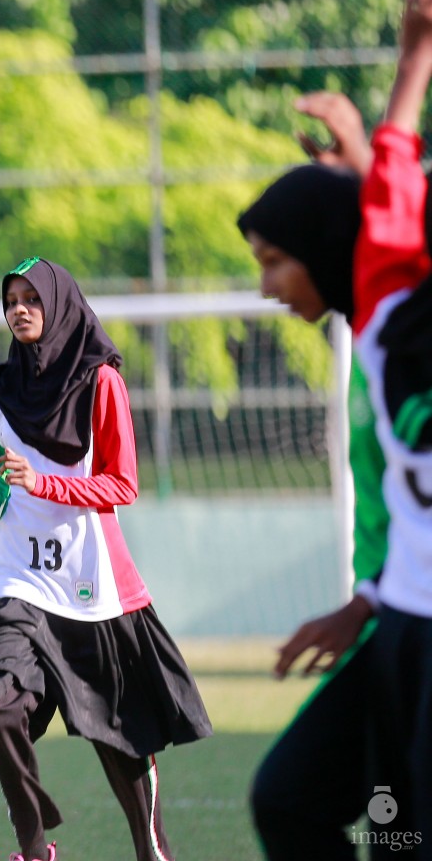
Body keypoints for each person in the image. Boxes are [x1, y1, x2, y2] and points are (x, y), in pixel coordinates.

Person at [0, 257, 211, 861]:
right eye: (10, 300)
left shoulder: (102, 382)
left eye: (31, 298)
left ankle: (152, 851)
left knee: (122, 739)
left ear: (60, 304)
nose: (19, 309)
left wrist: (43, 484)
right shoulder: (1, 388)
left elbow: (121, 485)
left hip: (93, 586)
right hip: (19, 580)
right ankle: (33, 847)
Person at [241, 96, 399, 857]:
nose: (266, 285)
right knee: (292, 800)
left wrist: (409, 75)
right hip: (395, 617)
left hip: (410, 620)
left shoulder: (409, 330)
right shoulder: (371, 337)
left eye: (276, 259)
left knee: (398, 832)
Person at [349, 0, 432, 854]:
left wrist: (417, 60)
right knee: (397, 833)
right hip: (405, 620)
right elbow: (391, 197)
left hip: (406, 620)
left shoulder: (384, 314)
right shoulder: (387, 323)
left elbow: (391, 189)